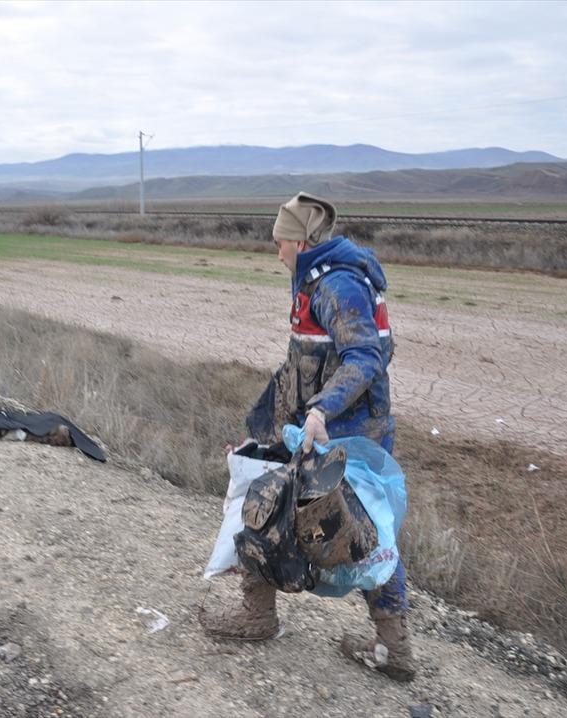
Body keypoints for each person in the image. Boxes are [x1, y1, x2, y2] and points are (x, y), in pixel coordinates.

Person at [201, 192, 414, 682]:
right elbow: (302, 364)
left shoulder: (338, 287)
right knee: (262, 493)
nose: (275, 252)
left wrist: (320, 412)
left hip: (348, 437)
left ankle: (393, 648)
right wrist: (263, 431)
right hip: (318, 429)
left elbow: (365, 359)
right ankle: (261, 615)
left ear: (299, 241)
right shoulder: (314, 281)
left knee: (365, 537)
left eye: (279, 242)